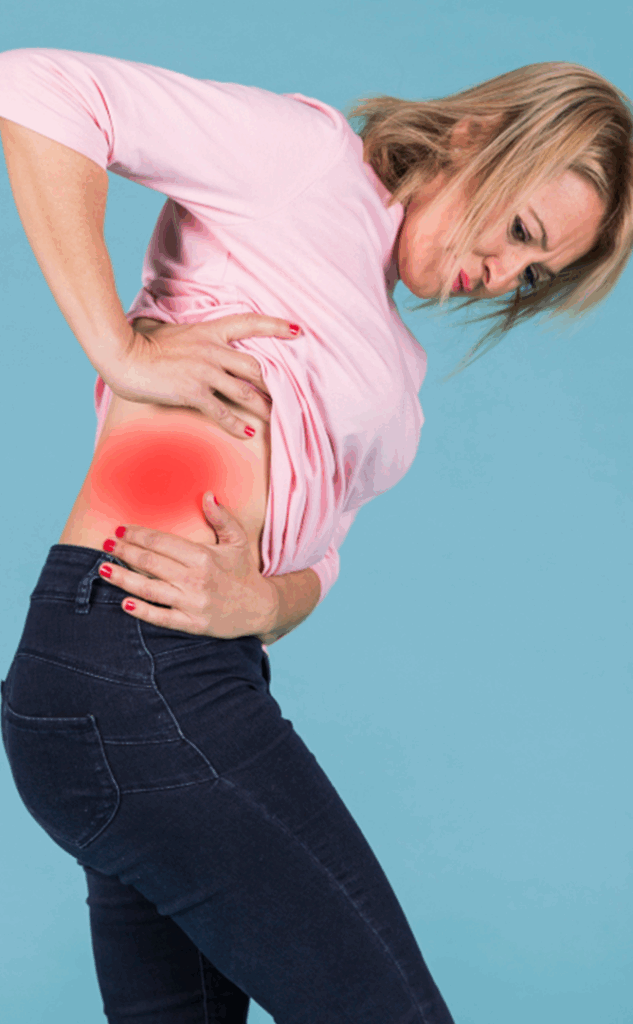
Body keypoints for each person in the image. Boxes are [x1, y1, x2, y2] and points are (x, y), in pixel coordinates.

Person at [0, 48, 631, 1024]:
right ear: (474, 136)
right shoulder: (305, 161)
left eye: (530, 271)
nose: (498, 274)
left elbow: (318, 552)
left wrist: (264, 600)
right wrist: (115, 345)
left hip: (176, 679)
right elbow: (38, 88)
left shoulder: (400, 378)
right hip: (132, 665)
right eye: (518, 229)